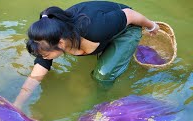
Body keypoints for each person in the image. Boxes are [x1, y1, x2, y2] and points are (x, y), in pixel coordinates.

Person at [13, 1, 159, 109]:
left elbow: (130, 15)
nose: (44, 57)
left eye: (46, 55)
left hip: (127, 28)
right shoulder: (48, 38)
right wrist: (18, 104)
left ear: (61, 43)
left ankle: (100, 104)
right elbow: (36, 74)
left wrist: (152, 26)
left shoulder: (96, 28)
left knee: (102, 75)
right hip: (101, 34)